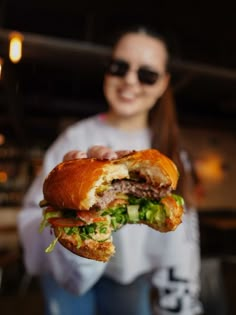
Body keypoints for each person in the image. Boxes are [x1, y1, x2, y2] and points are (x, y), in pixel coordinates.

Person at [18, 26, 203, 315]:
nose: (130, 80)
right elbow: (31, 216)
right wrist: (66, 205)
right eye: (119, 67)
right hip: (64, 281)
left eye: (147, 74)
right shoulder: (73, 139)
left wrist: (180, 305)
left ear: (164, 83)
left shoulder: (172, 152)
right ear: (107, 71)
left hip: (132, 280)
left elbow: (184, 244)